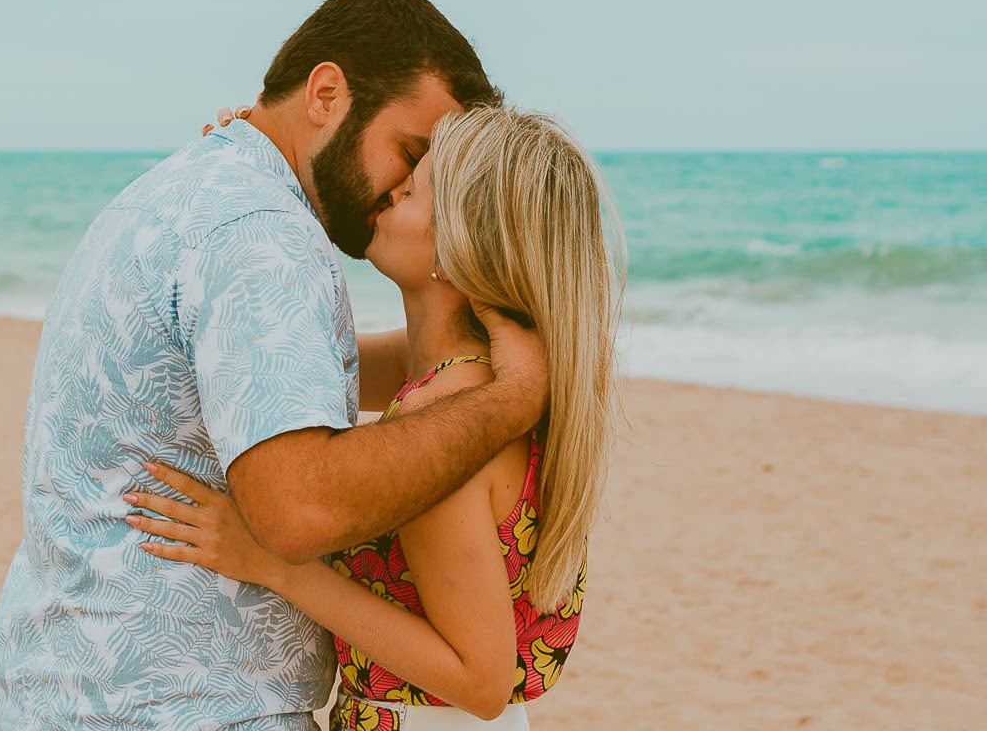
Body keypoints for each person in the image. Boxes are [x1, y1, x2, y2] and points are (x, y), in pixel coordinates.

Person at [0, 0, 549, 731]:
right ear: (325, 94)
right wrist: (512, 399)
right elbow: (297, 510)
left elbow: (295, 373)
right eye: (411, 153)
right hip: (176, 710)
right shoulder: (257, 233)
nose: (406, 187)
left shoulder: (189, 191)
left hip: (84, 692)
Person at [125, 105, 626, 730]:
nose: (390, 190)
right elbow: (284, 366)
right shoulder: (463, 380)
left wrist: (274, 564)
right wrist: (268, 164)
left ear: (461, 245)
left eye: (412, 188)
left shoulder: (445, 430)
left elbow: (482, 680)